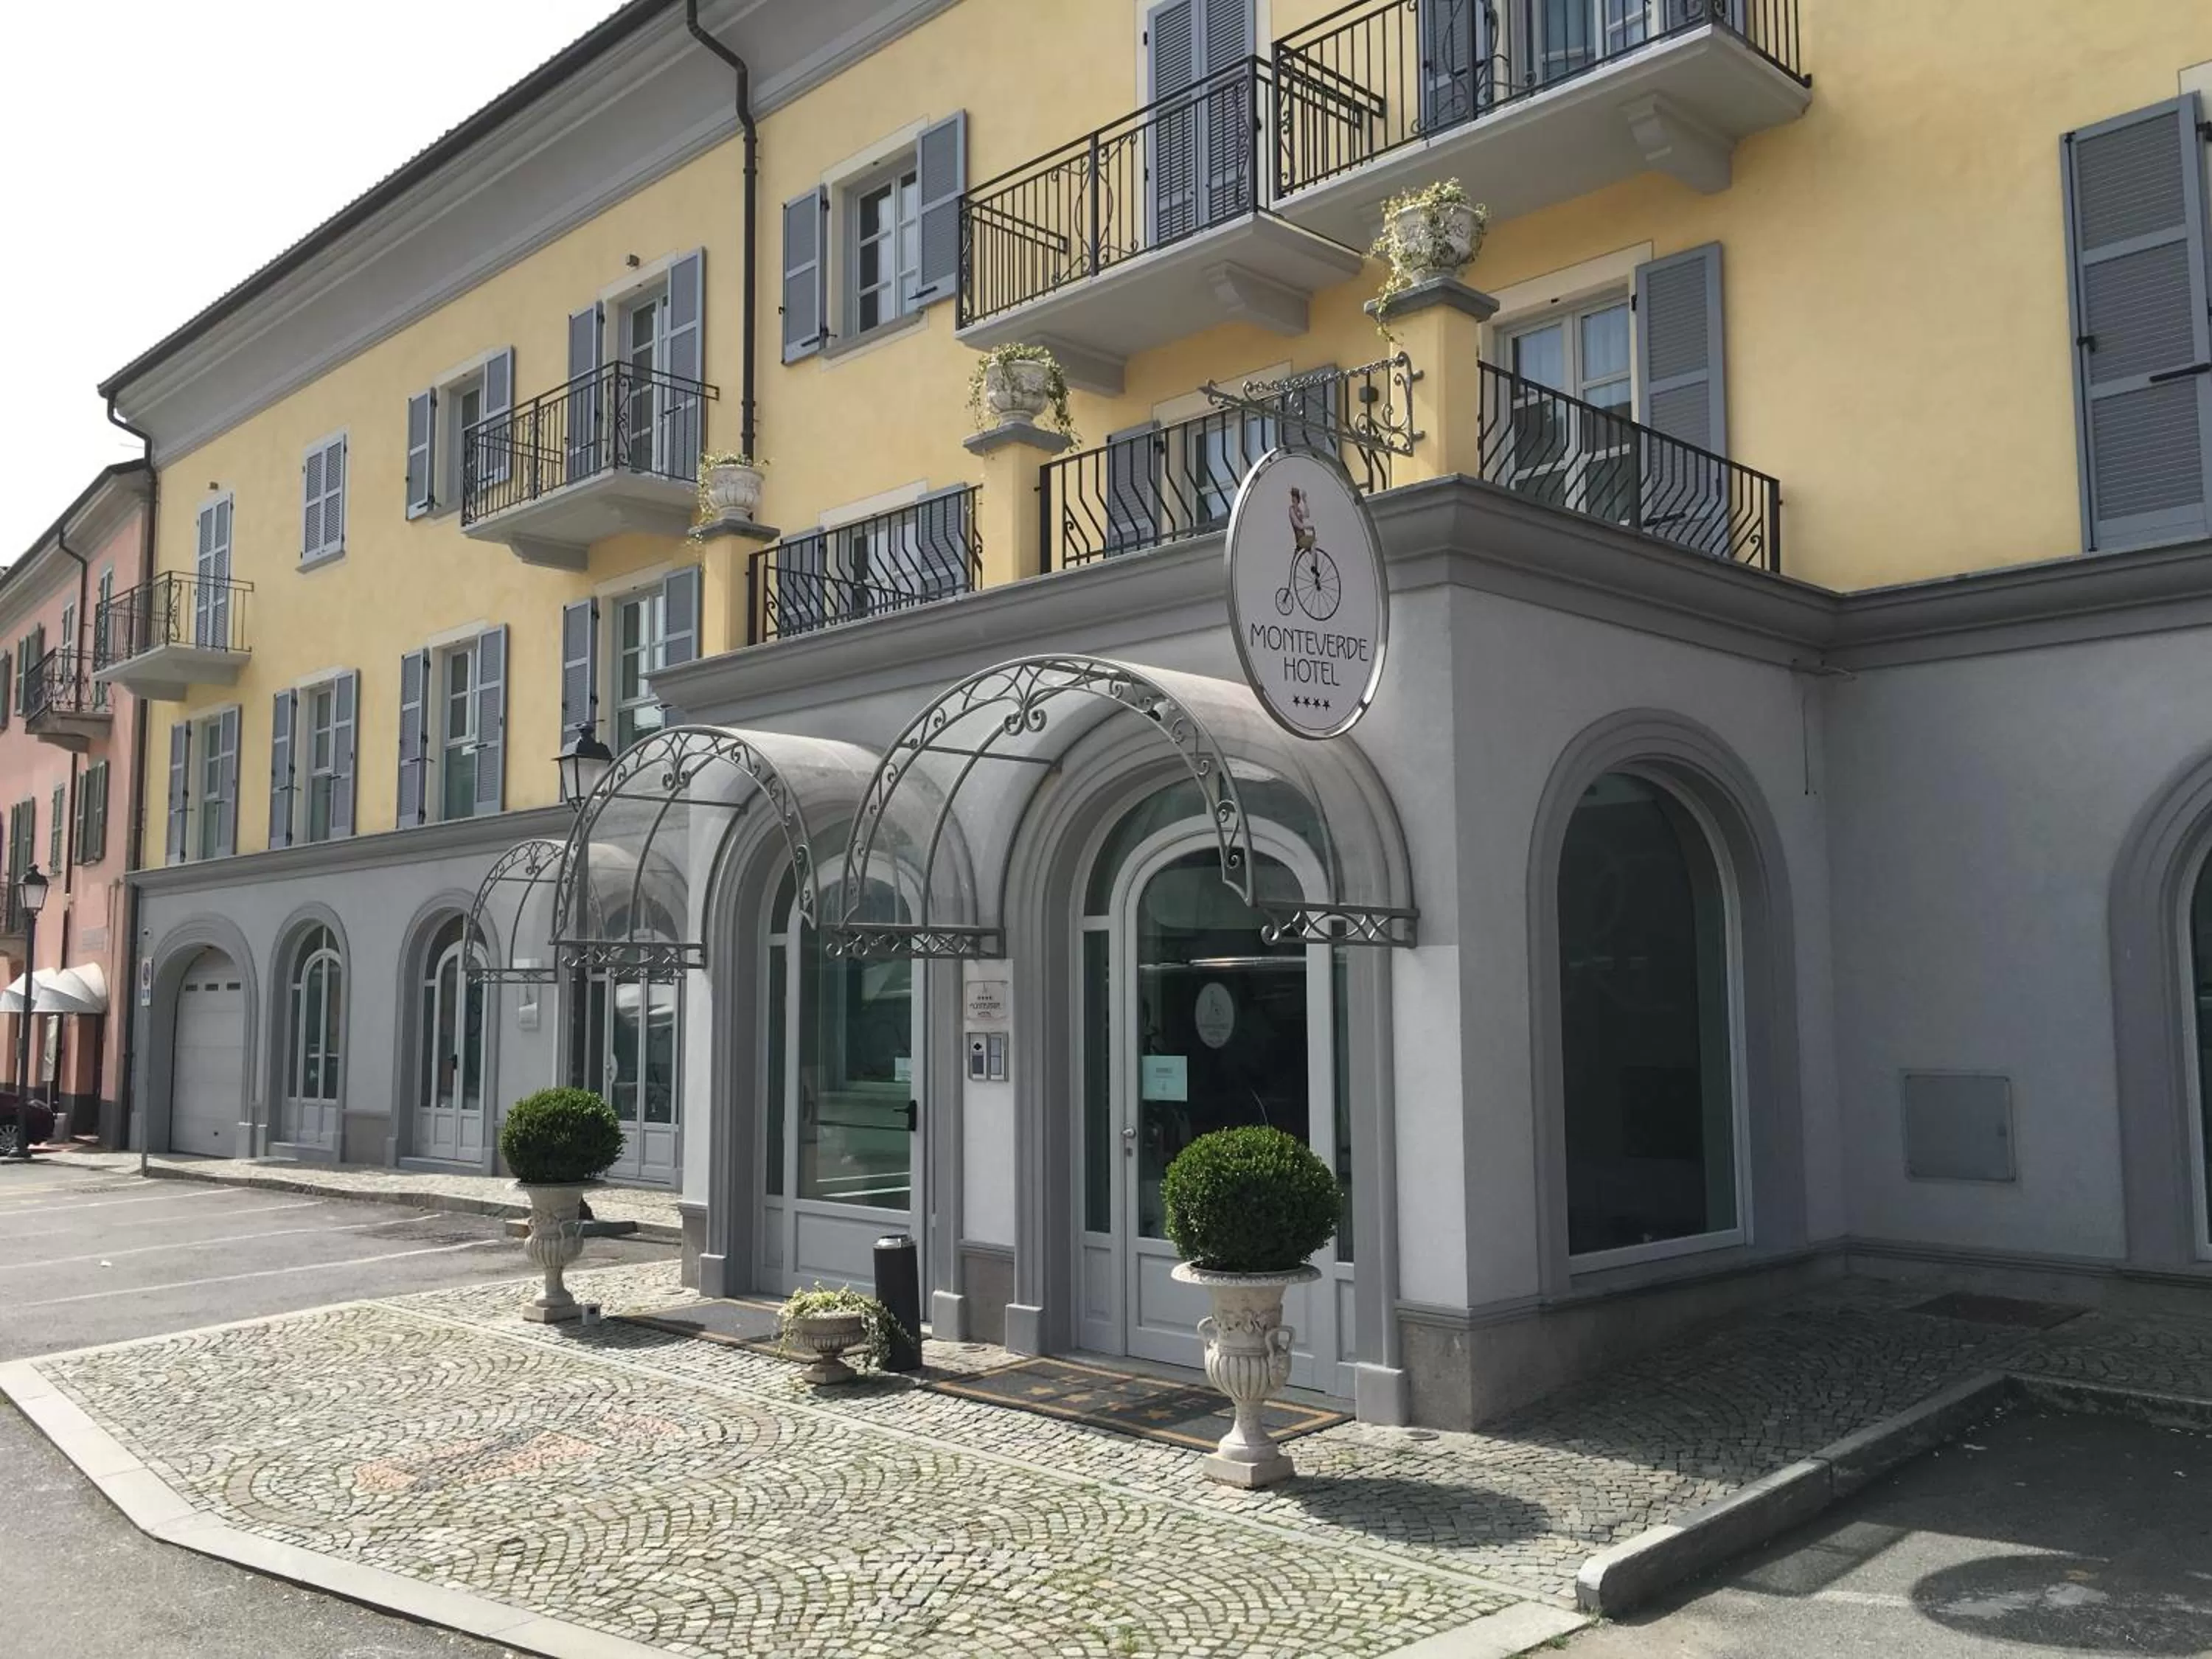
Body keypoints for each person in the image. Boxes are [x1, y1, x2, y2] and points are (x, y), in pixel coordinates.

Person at [1288, 485, 1315, 554]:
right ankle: (1313, 564)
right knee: (1314, 542)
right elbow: (1297, 524)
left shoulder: (1299, 510)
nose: (1293, 500)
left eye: (1295, 498)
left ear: (1298, 499)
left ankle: (1314, 563)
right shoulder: (1291, 510)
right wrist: (1308, 527)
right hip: (1300, 539)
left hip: (1303, 537)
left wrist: (1305, 501)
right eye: (1292, 498)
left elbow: (1307, 515)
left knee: (1314, 543)